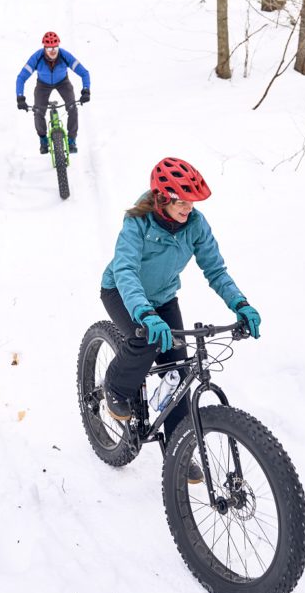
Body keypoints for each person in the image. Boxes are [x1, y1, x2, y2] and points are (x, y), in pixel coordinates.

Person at [100, 156, 261, 484]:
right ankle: (115, 387)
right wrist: (144, 314)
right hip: (121, 291)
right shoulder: (137, 224)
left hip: (163, 298)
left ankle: (177, 449)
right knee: (146, 340)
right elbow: (126, 270)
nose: (189, 208)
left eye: (192, 202)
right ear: (162, 199)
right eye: (182, 202)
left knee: (178, 372)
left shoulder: (196, 226)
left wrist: (240, 303)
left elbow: (215, 270)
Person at [16, 31, 90, 153]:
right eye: (49, 47)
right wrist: (20, 97)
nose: (53, 50)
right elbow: (21, 78)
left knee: (72, 108)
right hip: (43, 85)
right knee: (38, 112)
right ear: (44, 47)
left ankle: (72, 140)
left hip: (63, 82)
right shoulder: (37, 57)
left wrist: (86, 90)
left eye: (55, 47)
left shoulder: (64, 55)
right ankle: (43, 139)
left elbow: (84, 73)